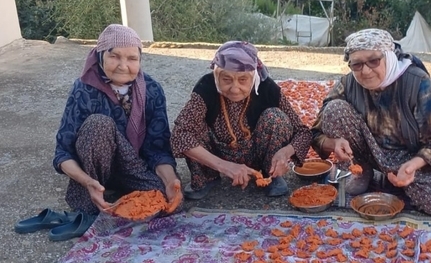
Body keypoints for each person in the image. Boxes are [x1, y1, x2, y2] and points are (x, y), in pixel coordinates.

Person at [49, 24, 181, 239]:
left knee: (165, 201)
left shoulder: (152, 90)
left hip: (134, 167)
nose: (123, 66)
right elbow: (63, 154)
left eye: (132, 58)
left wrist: (169, 181)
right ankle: (95, 193)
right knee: (98, 124)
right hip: (93, 173)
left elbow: (158, 149)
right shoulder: (84, 89)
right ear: (100, 56)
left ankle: (122, 192)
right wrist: (87, 181)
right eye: (114, 57)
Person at [310, 28, 431, 217]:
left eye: (374, 61)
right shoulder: (348, 84)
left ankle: (401, 180)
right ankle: (361, 170)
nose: (365, 71)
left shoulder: (416, 82)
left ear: (389, 56)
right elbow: (315, 133)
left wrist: (412, 166)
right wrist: (333, 143)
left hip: (412, 157)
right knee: (334, 109)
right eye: (357, 64)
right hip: (374, 153)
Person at [171, 41, 311, 199]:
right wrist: (225, 166)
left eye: (243, 80)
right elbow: (179, 135)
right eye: (226, 80)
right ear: (217, 76)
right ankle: (206, 177)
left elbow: (303, 132)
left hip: (256, 153)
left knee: (275, 118)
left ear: (253, 77)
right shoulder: (206, 87)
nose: (235, 88)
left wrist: (284, 153)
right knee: (191, 124)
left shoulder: (267, 89)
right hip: (216, 152)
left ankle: (269, 175)